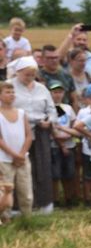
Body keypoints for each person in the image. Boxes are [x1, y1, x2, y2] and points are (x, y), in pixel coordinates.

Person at [9, 57, 56, 212]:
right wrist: (37, 119)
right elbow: (11, 111)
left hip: (41, 132)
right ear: (18, 72)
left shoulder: (41, 89)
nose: (29, 78)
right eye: (26, 75)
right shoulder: (10, 87)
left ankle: (44, 202)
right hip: (17, 132)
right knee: (18, 166)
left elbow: (51, 108)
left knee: (42, 167)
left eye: (32, 75)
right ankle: (15, 205)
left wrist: (50, 120)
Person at [0, 80, 34, 216]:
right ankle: (5, 217)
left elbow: (28, 135)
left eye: (13, 92)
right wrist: (14, 155)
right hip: (4, 159)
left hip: (22, 158)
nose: (11, 94)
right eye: (7, 92)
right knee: (5, 189)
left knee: (25, 189)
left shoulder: (21, 113)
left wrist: (21, 154)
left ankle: (27, 216)